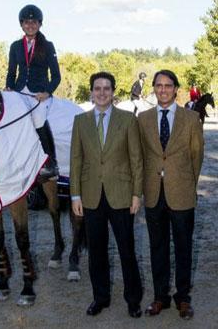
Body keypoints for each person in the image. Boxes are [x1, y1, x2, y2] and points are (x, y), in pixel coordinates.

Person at [70, 71, 143, 319]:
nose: (102, 92)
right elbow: (76, 161)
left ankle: (133, 300)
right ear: (91, 92)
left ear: (113, 92)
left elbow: (136, 160)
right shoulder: (80, 121)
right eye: (97, 88)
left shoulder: (128, 120)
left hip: (122, 195)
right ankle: (100, 297)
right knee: (96, 252)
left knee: (127, 250)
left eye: (106, 88)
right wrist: (75, 196)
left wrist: (136, 194)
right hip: (91, 196)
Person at [138, 70, 204, 320]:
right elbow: (140, 156)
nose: (163, 89)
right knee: (157, 247)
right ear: (154, 89)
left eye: (168, 85)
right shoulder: (142, 119)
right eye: (159, 85)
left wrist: (186, 183)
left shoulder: (191, 118)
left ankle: (183, 298)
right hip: (154, 193)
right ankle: (160, 297)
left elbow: (196, 157)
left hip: (182, 193)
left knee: (184, 248)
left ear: (176, 89)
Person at [6, 4, 61, 179]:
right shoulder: (15, 46)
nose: (30, 25)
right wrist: (9, 87)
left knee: (38, 121)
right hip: (19, 91)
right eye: (27, 22)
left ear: (39, 24)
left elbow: (56, 76)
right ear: (21, 24)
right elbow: (11, 72)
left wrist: (47, 92)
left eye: (34, 22)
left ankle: (51, 163)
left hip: (38, 93)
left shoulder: (48, 45)